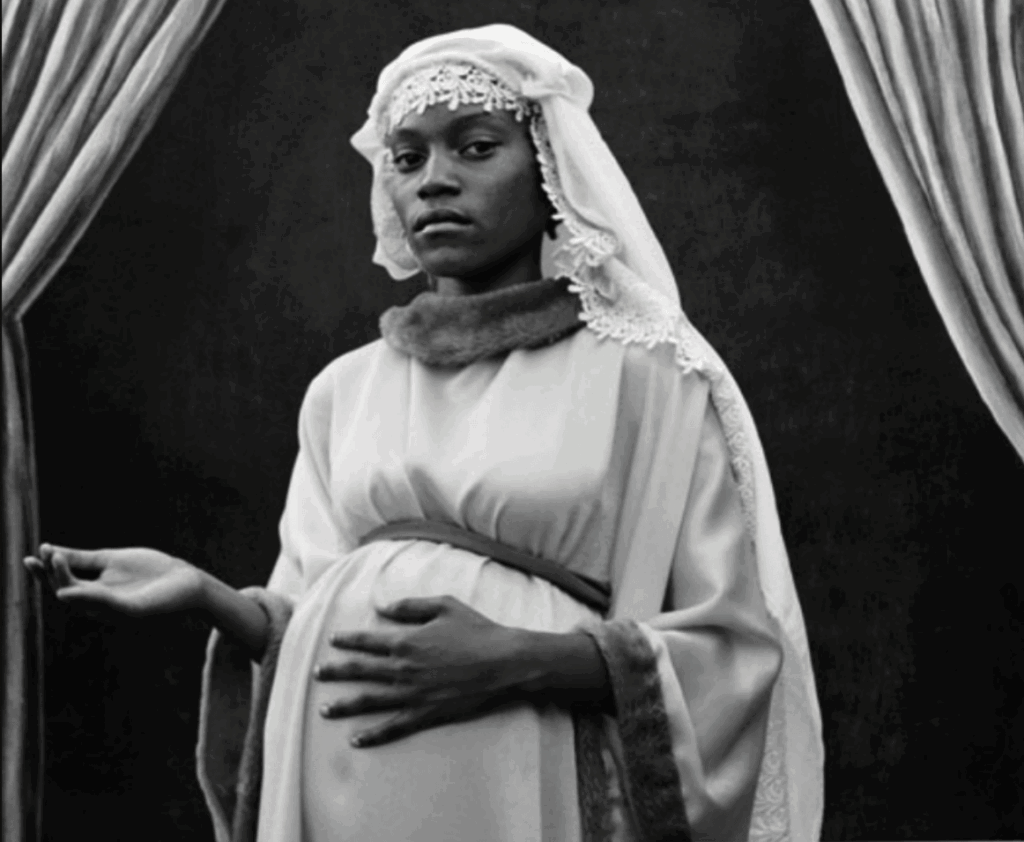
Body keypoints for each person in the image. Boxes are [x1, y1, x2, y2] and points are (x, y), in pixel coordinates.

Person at [24, 24, 824, 842]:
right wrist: (207, 595)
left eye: (475, 148)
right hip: (337, 773)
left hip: (517, 779)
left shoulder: (648, 378)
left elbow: (728, 650)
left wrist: (520, 659)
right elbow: (305, 615)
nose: (435, 180)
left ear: (550, 171)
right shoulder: (343, 390)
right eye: (407, 159)